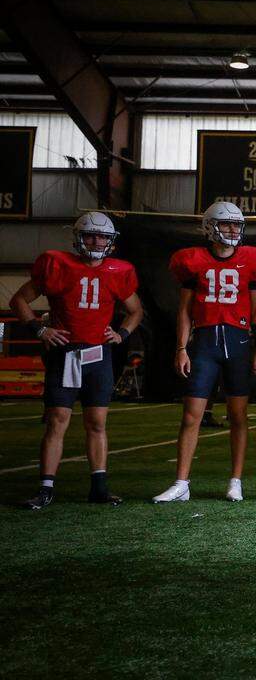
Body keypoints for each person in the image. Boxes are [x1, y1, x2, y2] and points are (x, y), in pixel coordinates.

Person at [9, 212, 143, 509]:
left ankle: (99, 487)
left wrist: (122, 333)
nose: (97, 241)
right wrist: (40, 329)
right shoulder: (58, 263)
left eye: (103, 236)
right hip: (65, 352)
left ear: (111, 241)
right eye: (91, 235)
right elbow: (18, 300)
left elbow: (136, 310)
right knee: (57, 421)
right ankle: (45, 488)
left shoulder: (118, 271)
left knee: (97, 423)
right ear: (79, 237)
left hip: (98, 354)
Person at [154, 202, 256, 503]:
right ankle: (181, 482)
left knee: (238, 415)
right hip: (205, 342)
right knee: (191, 416)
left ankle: (236, 480)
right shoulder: (192, 261)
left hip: (239, 343)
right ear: (210, 227)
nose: (233, 230)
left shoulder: (252, 260)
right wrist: (181, 347)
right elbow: (184, 311)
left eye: (236, 225)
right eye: (226, 224)